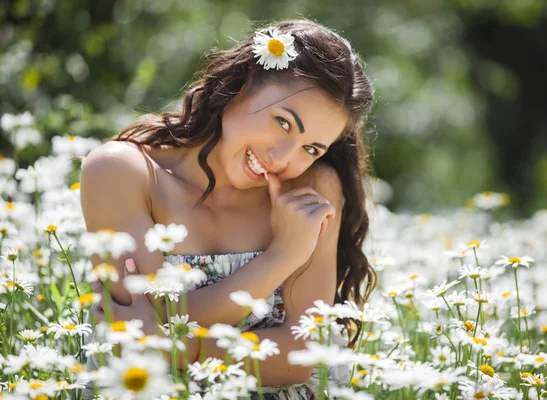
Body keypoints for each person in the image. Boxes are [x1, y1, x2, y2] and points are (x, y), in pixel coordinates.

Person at [80, 19, 377, 398]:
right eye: (283, 122)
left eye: (311, 148)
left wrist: (177, 347)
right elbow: (132, 336)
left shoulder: (310, 190)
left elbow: (302, 354)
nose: (283, 158)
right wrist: (282, 256)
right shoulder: (124, 172)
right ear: (239, 85)